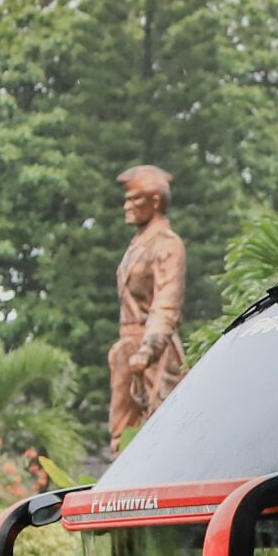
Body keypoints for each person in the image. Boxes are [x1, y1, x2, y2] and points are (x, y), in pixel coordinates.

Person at [108, 164, 188, 447]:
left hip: (155, 355)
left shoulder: (167, 244)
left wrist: (148, 349)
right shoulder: (138, 244)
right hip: (128, 351)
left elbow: (166, 302)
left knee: (160, 436)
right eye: (126, 199)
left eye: (135, 199)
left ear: (155, 201)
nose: (127, 206)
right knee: (121, 439)